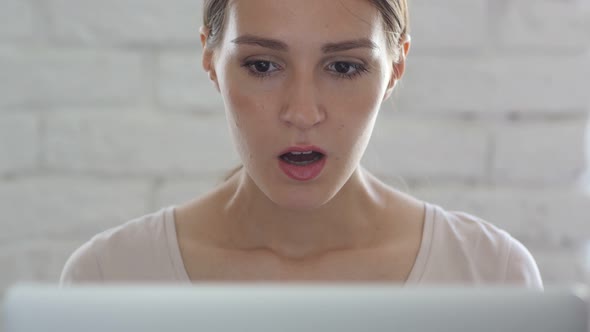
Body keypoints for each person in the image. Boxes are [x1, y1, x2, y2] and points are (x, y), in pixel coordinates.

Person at [60, 0, 543, 288]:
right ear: (210, 59)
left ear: (396, 67)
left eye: (343, 67)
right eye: (263, 66)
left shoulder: (491, 275)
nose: (303, 113)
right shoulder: (108, 276)